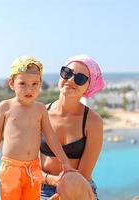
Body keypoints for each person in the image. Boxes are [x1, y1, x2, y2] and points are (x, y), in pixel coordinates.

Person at [0, 56, 73, 200]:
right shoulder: (5, 106)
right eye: (22, 84)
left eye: (34, 84)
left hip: (33, 169)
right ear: (11, 83)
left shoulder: (40, 109)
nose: (29, 89)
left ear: (40, 84)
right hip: (10, 169)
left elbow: (51, 137)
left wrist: (65, 162)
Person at [40, 54, 105, 199]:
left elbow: (83, 176)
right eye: (67, 73)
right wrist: (52, 180)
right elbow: (28, 166)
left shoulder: (93, 122)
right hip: (42, 188)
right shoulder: (40, 114)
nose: (70, 80)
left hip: (77, 191)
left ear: (89, 87)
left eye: (80, 78)